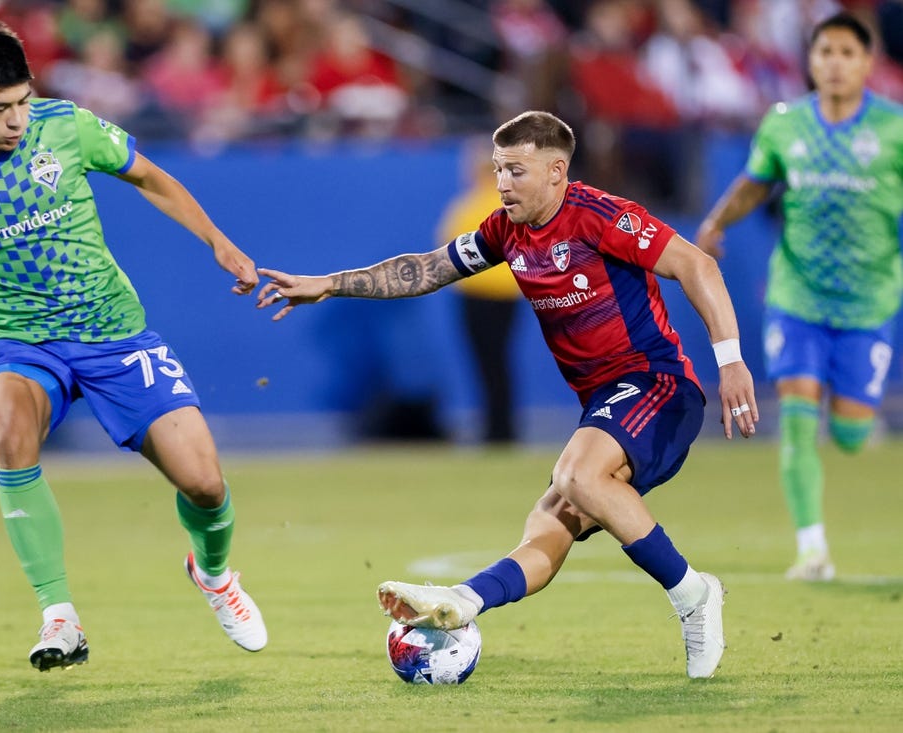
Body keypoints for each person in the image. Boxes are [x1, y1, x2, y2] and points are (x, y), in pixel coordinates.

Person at [257, 110, 758, 679]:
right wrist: (332, 283)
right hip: (602, 404)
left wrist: (731, 360)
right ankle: (463, 602)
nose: (501, 183)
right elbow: (427, 269)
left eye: (515, 170)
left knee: (577, 477)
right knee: (551, 524)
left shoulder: (602, 216)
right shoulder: (505, 230)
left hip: (657, 386)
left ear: (556, 171)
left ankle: (695, 595)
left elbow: (697, 265)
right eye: (498, 169)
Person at [0, 23, 267, 672]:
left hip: (112, 331)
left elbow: (151, 177)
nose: (18, 119)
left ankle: (214, 574)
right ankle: (60, 614)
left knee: (205, 483)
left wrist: (217, 240)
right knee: (6, 427)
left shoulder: (66, 127)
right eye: (0, 108)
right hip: (19, 341)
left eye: (24, 100)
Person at [696, 12, 903, 583]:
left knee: (852, 435)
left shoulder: (894, 128)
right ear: (810, 62)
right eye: (825, 52)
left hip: (870, 303)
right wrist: (714, 223)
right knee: (795, 413)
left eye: (846, 52)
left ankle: (856, 417)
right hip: (798, 296)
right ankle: (812, 550)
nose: (835, 62)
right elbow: (757, 181)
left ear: (867, 62)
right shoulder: (785, 124)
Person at [439, 141, 524, 444]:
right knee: (500, 361)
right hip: (510, 295)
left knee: (487, 363)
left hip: (477, 295)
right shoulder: (511, 204)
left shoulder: (469, 206)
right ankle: (502, 427)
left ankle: (497, 430)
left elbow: (446, 252)